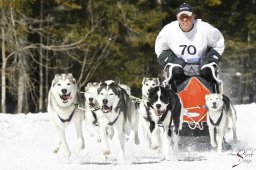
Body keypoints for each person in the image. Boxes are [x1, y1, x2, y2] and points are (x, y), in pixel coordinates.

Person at [155, 2, 224, 92]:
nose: (185, 20)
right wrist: (175, 62)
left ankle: (209, 97)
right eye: (181, 17)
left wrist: (208, 61)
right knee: (176, 71)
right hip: (179, 69)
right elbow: (160, 50)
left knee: (207, 71)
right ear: (177, 17)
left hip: (201, 67)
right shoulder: (168, 30)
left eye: (188, 17)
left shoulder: (205, 28)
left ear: (193, 16)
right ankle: (177, 100)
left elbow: (219, 44)